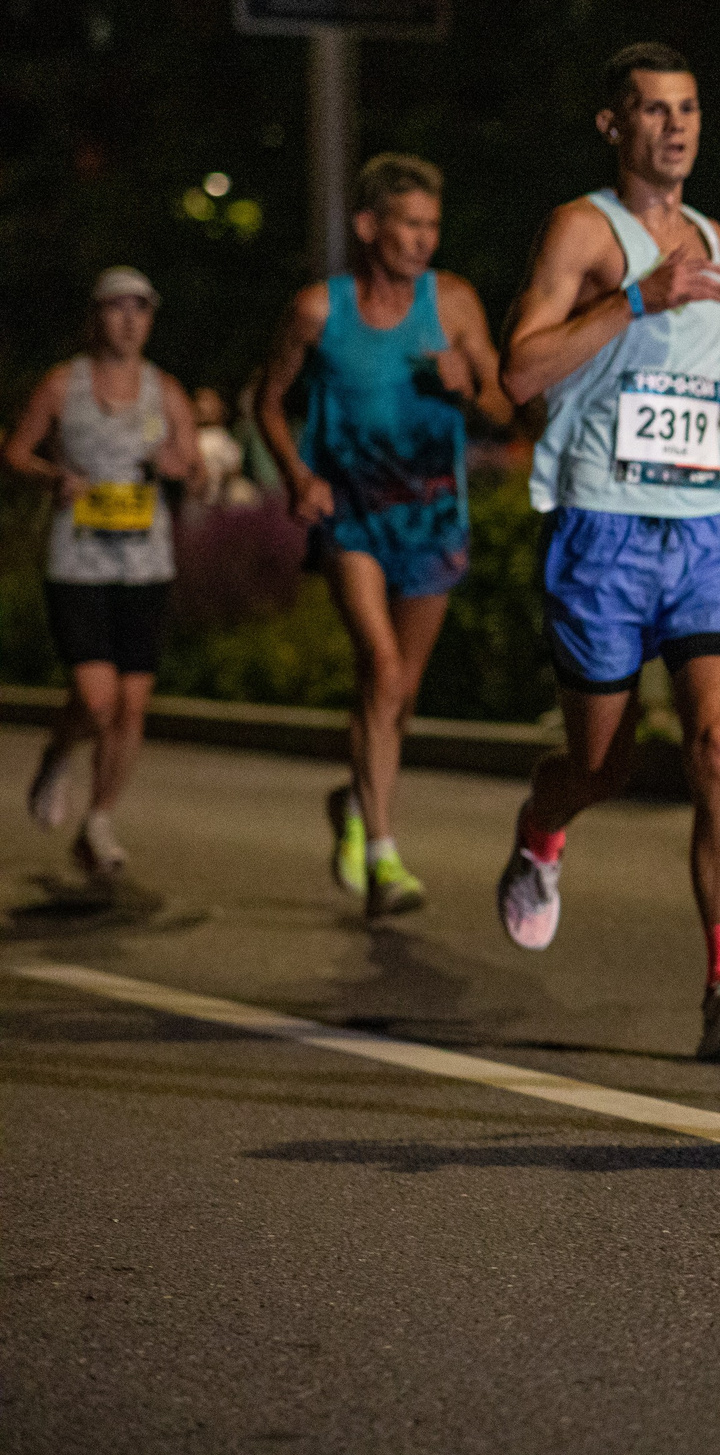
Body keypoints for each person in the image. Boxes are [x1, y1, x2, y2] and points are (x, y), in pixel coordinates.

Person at [493, 42, 720, 1060]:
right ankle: (543, 829)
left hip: (706, 523)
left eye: (689, 108)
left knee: (718, 744)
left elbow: (697, 347)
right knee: (601, 763)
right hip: (602, 524)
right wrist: (632, 298)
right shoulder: (583, 230)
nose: (676, 127)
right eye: (654, 110)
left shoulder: (717, 241)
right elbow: (521, 371)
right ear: (613, 125)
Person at [255, 152, 509, 919]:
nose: (424, 239)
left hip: (431, 519)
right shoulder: (317, 311)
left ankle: (354, 801)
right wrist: (298, 475)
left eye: (433, 225)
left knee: (400, 694)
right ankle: (385, 856)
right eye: (409, 224)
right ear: (368, 227)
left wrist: (471, 386)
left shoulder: (453, 303)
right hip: (353, 517)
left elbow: (505, 402)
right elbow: (268, 400)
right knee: (383, 667)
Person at [6, 267, 200, 877]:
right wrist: (53, 477)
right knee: (97, 699)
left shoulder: (165, 391)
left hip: (146, 564)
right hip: (78, 561)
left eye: (141, 309)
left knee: (132, 705)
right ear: (95, 318)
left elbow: (194, 466)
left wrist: (180, 466)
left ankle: (98, 821)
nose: (129, 321)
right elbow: (15, 452)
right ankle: (59, 753)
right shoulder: (63, 385)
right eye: (117, 308)